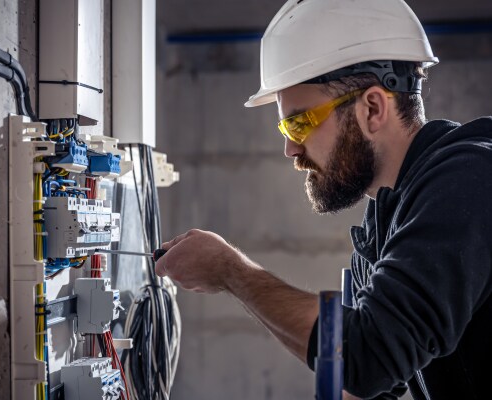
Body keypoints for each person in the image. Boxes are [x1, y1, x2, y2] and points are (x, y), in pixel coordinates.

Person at [155, 0, 492, 398]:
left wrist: (233, 272)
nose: (290, 149)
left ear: (372, 108)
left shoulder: (471, 178)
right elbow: (359, 379)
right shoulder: (384, 224)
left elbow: (367, 355)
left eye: (299, 122)